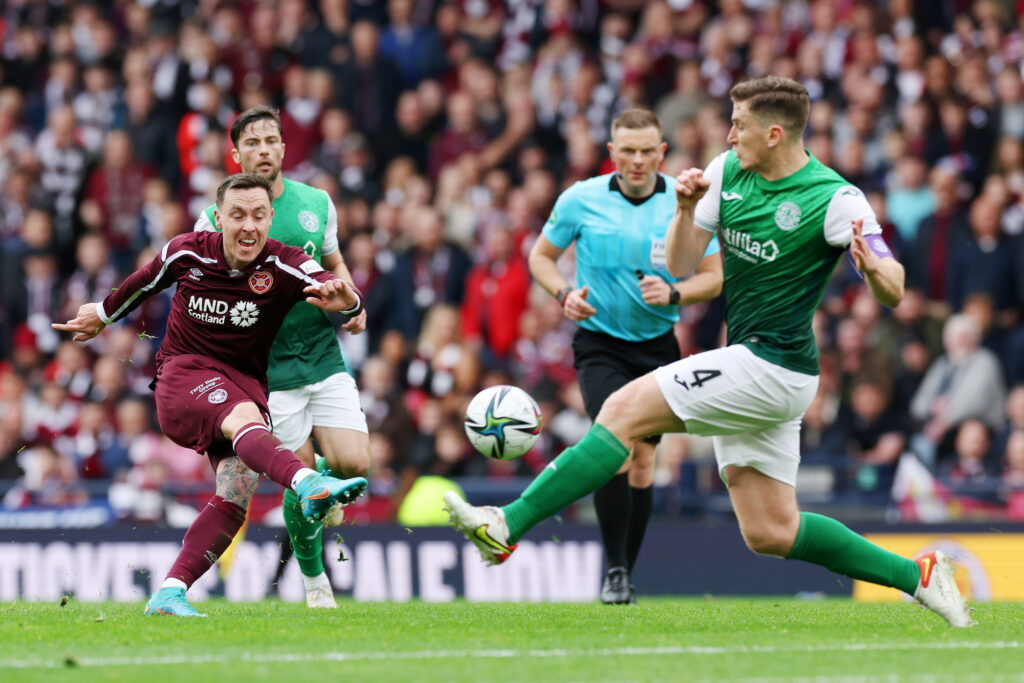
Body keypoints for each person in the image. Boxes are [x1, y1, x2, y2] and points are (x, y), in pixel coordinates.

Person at [444, 77, 974, 628]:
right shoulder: (726, 171)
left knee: (621, 412)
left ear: (773, 133)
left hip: (775, 366)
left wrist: (874, 269)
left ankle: (506, 526)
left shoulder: (834, 198)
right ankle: (921, 575)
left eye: (739, 123)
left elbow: (894, 284)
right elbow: (679, 263)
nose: (728, 132)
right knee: (771, 531)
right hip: (752, 363)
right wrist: (685, 209)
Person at [53, 173, 368, 617]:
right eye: (237, 215)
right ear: (219, 218)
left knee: (237, 492)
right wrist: (103, 314)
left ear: (270, 219)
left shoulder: (284, 263)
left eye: (259, 215)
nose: (249, 226)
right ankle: (308, 482)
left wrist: (347, 301)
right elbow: (144, 281)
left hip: (244, 384)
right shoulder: (188, 249)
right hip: (183, 376)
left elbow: (334, 287)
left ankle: (170, 591)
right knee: (246, 420)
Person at [527, 108, 722, 604]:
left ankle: (624, 574)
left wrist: (676, 295)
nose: (637, 161)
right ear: (611, 154)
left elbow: (715, 275)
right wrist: (563, 295)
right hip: (599, 343)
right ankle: (614, 570)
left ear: (662, 152)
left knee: (642, 464)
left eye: (646, 151)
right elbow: (540, 257)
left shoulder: (686, 203)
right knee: (614, 448)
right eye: (627, 151)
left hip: (657, 346)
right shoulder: (581, 199)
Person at [194, 106, 370, 609]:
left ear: (284, 149)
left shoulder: (316, 203)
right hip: (268, 373)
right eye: (253, 143)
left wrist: (353, 299)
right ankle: (315, 583)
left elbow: (333, 260)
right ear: (236, 154)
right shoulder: (212, 218)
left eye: (272, 140)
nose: (264, 150)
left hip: (320, 353)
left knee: (356, 462)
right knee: (304, 475)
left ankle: (322, 520)